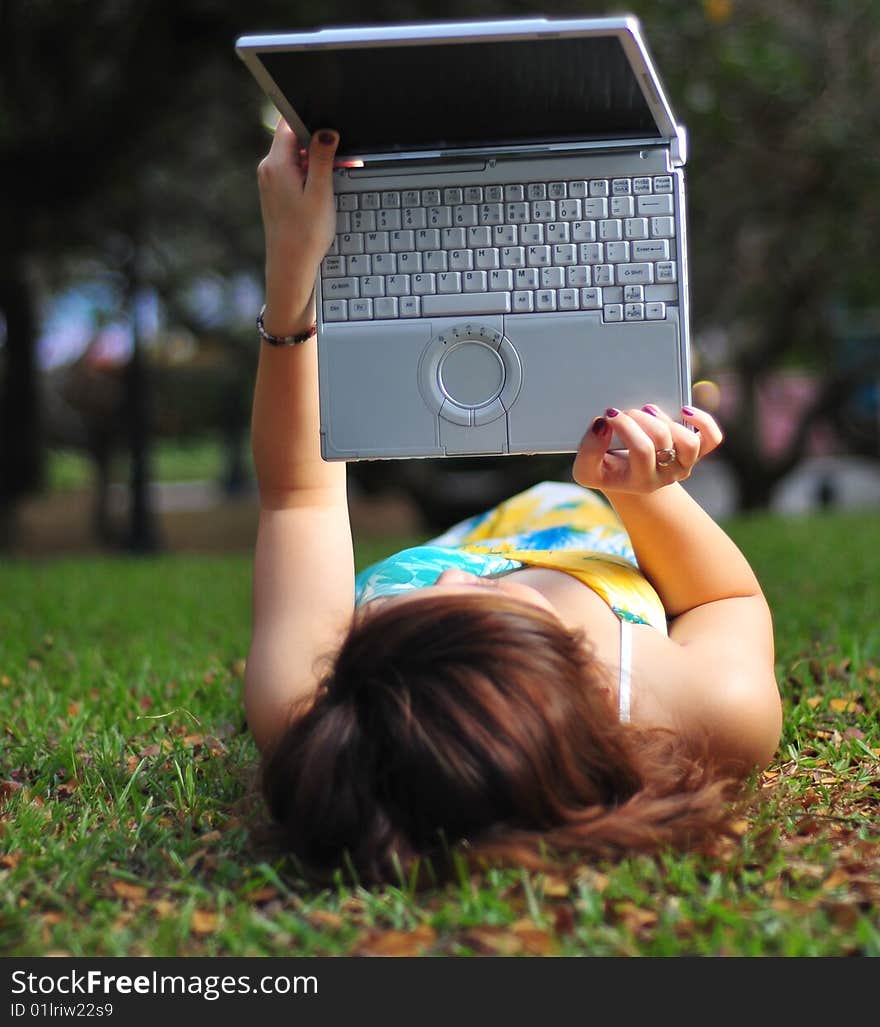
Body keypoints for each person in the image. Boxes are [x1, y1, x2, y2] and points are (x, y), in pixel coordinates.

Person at [245, 120, 783, 886]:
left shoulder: (311, 707)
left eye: (416, 609)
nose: (448, 578)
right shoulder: (712, 710)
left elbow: (298, 499)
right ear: (589, 682)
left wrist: (294, 268)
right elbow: (727, 599)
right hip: (585, 528)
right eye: (487, 599)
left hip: (476, 523)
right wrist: (642, 496)